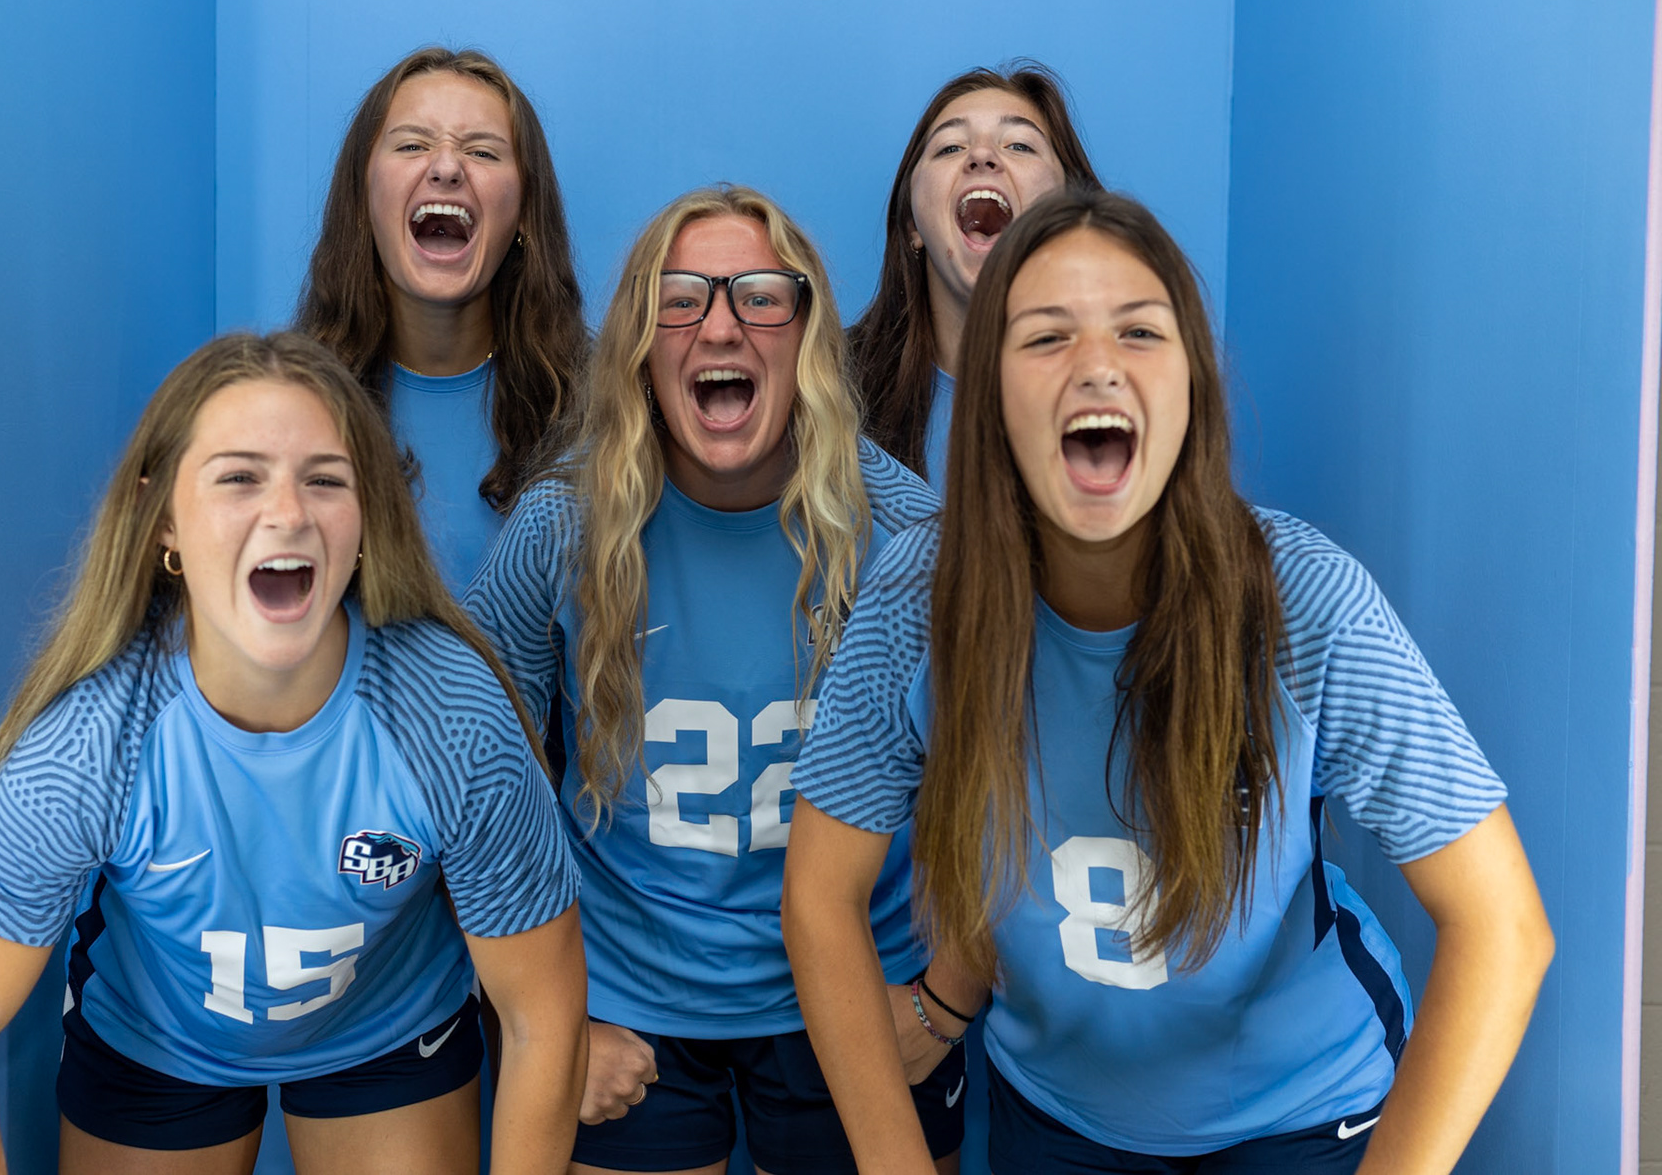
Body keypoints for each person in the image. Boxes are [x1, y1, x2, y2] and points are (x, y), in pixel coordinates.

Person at [783, 189, 1552, 1174]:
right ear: (989, 399)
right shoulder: (914, 600)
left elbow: (1502, 926)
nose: (1097, 363)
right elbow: (820, 892)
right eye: (1046, 336)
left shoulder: (1303, 600)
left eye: (1140, 331)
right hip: (1057, 1118)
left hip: (1301, 1116)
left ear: (1193, 388)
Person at [0, 332, 587, 1174]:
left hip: (386, 1022)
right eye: (239, 478)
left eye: (325, 479)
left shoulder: (451, 715)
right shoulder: (88, 747)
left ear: (367, 517)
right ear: (163, 522)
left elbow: (543, 1020)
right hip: (158, 1036)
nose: (287, 513)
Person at [463, 186, 953, 1175]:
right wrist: (541, 1014)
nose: (720, 324)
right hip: (629, 1001)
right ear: (640, 347)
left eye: (761, 296)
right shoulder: (561, 525)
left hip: (856, 989)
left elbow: (1009, 777)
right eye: (679, 298)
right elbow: (466, 778)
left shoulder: (905, 532)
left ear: (808, 337)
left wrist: (946, 999)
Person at [296, 46, 587, 592]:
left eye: (482, 151)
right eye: (412, 145)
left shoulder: (601, 408)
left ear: (525, 210)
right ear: (363, 198)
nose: (447, 167)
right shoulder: (289, 404)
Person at [847, 63, 1098, 489]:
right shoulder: (828, 390)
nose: (982, 156)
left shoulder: (1121, 386)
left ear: (1071, 218)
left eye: (1019, 145)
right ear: (912, 225)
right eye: (950, 148)